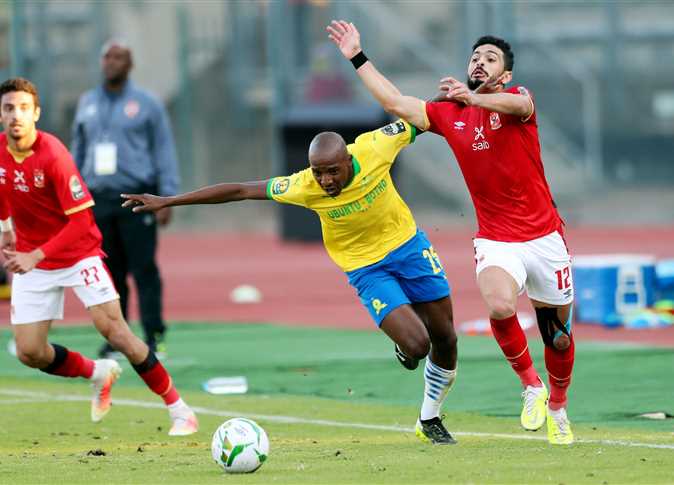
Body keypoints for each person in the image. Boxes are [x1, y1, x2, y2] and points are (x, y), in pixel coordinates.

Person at [122, 119, 459, 445]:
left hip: (410, 249)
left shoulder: (376, 147)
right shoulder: (303, 185)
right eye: (318, 172)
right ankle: (404, 345)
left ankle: (429, 418)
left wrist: (467, 94)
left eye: (332, 171)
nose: (325, 180)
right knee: (418, 346)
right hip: (366, 268)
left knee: (446, 337)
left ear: (348, 159)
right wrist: (170, 200)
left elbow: (424, 116)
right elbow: (240, 190)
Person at [327, 20, 575, 445]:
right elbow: (394, 101)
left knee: (558, 337)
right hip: (497, 239)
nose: (480, 62)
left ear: (505, 74)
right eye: (475, 57)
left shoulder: (517, 99)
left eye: (490, 59)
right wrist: (357, 57)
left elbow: (519, 106)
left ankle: (558, 406)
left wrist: (474, 98)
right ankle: (531, 386)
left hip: (545, 237)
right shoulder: (449, 114)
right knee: (500, 305)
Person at [0, 77, 197, 436]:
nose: (16, 115)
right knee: (29, 352)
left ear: (36, 113)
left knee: (115, 332)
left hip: (78, 253)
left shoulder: (54, 155)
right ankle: (97, 372)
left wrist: (35, 255)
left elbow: (80, 223)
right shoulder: (0, 151)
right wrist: (6, 230)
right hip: (34, 259)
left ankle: (179, 409)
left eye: (24, 108)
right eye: (9, 108)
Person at [71, 39, 179, 358]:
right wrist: (71, 195)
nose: (111, 62)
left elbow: (163, 150)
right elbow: (77, 150)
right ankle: (118, 337)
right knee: (108, 272)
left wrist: (167, 195)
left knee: (144, 268)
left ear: (130, 64)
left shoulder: (147, 104)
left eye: (119, 57)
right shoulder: (87, 102)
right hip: (98, 199)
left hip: (136, 197)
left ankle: (154, 335)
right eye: (107, 56)